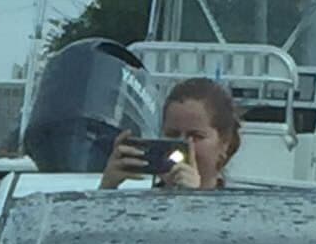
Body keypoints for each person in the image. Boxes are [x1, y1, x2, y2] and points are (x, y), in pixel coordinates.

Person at [99, 76, 242, 191]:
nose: (181, 145)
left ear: (225, 144)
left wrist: (193, 199)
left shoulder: (238, 209)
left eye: (196, 136)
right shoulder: (139, 204)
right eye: (172, 135)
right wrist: (107, 189)